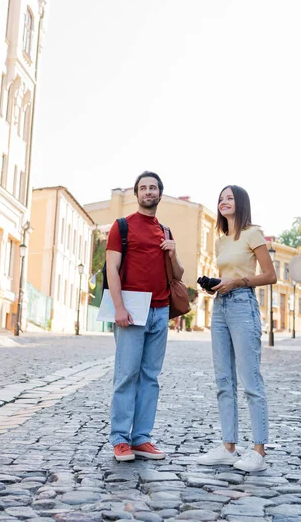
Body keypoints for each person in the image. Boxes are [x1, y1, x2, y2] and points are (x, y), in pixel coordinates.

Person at [196, 185, 276, 473]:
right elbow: (226, 276)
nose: (223, 202)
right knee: (223, 380)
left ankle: (258, 451)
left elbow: (270, 275)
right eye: (220, 199)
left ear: (241, 203)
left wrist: (237, 282)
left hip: (243, 306)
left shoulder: (253, 233)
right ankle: (229, 446)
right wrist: (216, 284)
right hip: (220, 307)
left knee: (250, 380)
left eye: (229, 198)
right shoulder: (220, 241)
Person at [106, 171, 184, 462]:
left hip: (161, 309)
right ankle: (120, 439)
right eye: (143, 188)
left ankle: (141, 438)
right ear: (137, 194)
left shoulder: (166, 231)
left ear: (159, 194)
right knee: (127, 375)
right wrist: (119, 308)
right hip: (131, 308)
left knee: (150, 377)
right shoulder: (122, 227)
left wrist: (173, 253)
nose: (148, 192)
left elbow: (177, 276)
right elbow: (111, 269)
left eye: (153, 188)